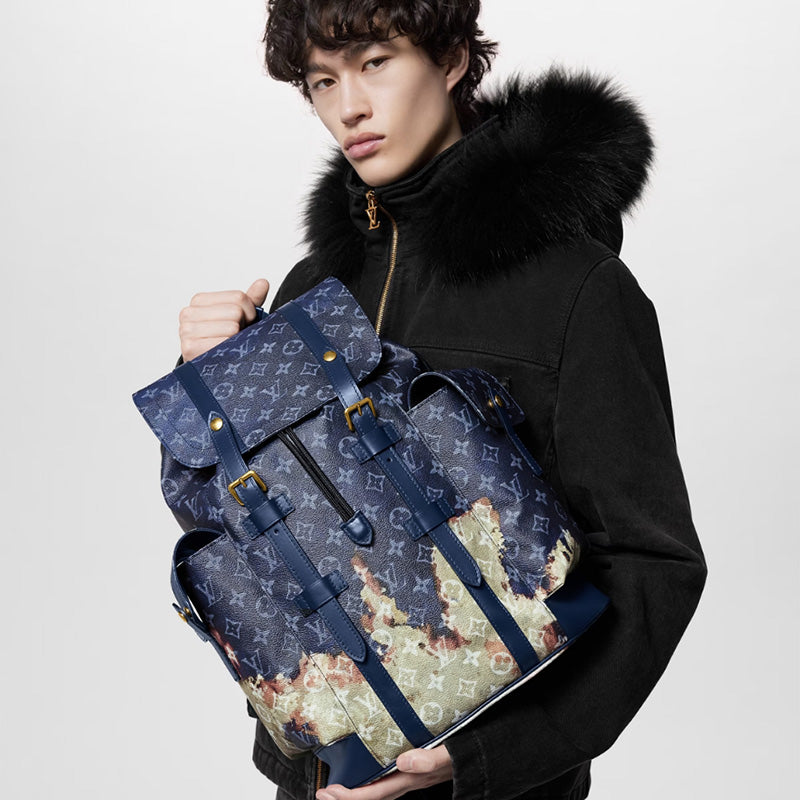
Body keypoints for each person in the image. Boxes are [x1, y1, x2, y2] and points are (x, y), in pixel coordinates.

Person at [176, 2, 707, 799]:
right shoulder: (313, 289)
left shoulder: (578, 289)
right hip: (327, 774)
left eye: (374, 63)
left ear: (452, 59)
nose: (349, 107)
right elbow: (252, 527)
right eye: (322, 82)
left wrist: (487, 754)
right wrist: (212, 375)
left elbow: (653, 564)